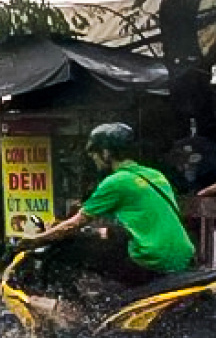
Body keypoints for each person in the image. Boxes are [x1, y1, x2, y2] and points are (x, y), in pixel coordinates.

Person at [21, 122, 193, 290]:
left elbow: (74, 225)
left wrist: (36, 240)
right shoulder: (156, 176)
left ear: (106, 153)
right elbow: (141, 219)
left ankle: (77, 310)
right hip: (183, 255)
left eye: (95, 155)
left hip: (150, 258)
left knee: (66, 252)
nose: (94, 160)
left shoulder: (116, 182)